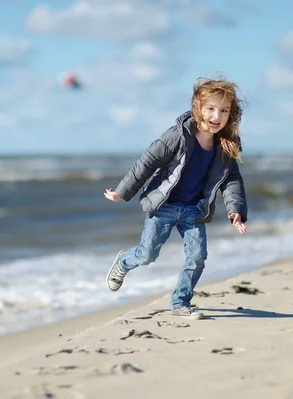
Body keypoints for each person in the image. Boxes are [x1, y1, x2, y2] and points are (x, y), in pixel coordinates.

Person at [103, 76, 248, 320]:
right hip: (164, 206)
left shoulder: (226, 145)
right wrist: (122, 192)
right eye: (211, 108)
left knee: (197, 257)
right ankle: (124, 262)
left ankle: (181, 302)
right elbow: (147, 161)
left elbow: (232, 179)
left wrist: (236, 210)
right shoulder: (177, 136)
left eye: (223, 110)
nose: (216, 116)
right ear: (198, 107)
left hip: (194, 210)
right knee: (147, 255)